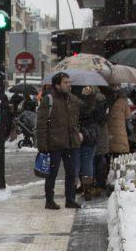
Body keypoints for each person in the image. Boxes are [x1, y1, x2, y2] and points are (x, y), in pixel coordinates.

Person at [35, 71, 82, 211]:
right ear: (57, 85)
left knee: (71, 173)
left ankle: (70, 199)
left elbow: (85, 110)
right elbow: (41, 124)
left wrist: (89, 95)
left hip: (70, 143)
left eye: (69, 82)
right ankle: (49, 200)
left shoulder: (72, 99)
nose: (68, 85)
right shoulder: (48, 99)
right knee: (51, 174)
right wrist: (43, 146)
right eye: (65, 83)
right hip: (54, 144)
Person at [76, 85, 106, 200]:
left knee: (79, 164)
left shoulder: (76, 101)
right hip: (90, 134)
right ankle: (87, 189)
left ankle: (81, 189)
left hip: (83, 135)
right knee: (87, 164)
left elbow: (96, 116)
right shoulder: (98, 99)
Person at [106, 85, 131, 163]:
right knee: (120, 160)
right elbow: (128, 117)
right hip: (120, 133)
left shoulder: (106, 98)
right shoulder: (123, 100)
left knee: (108, 158)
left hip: (108, 132)